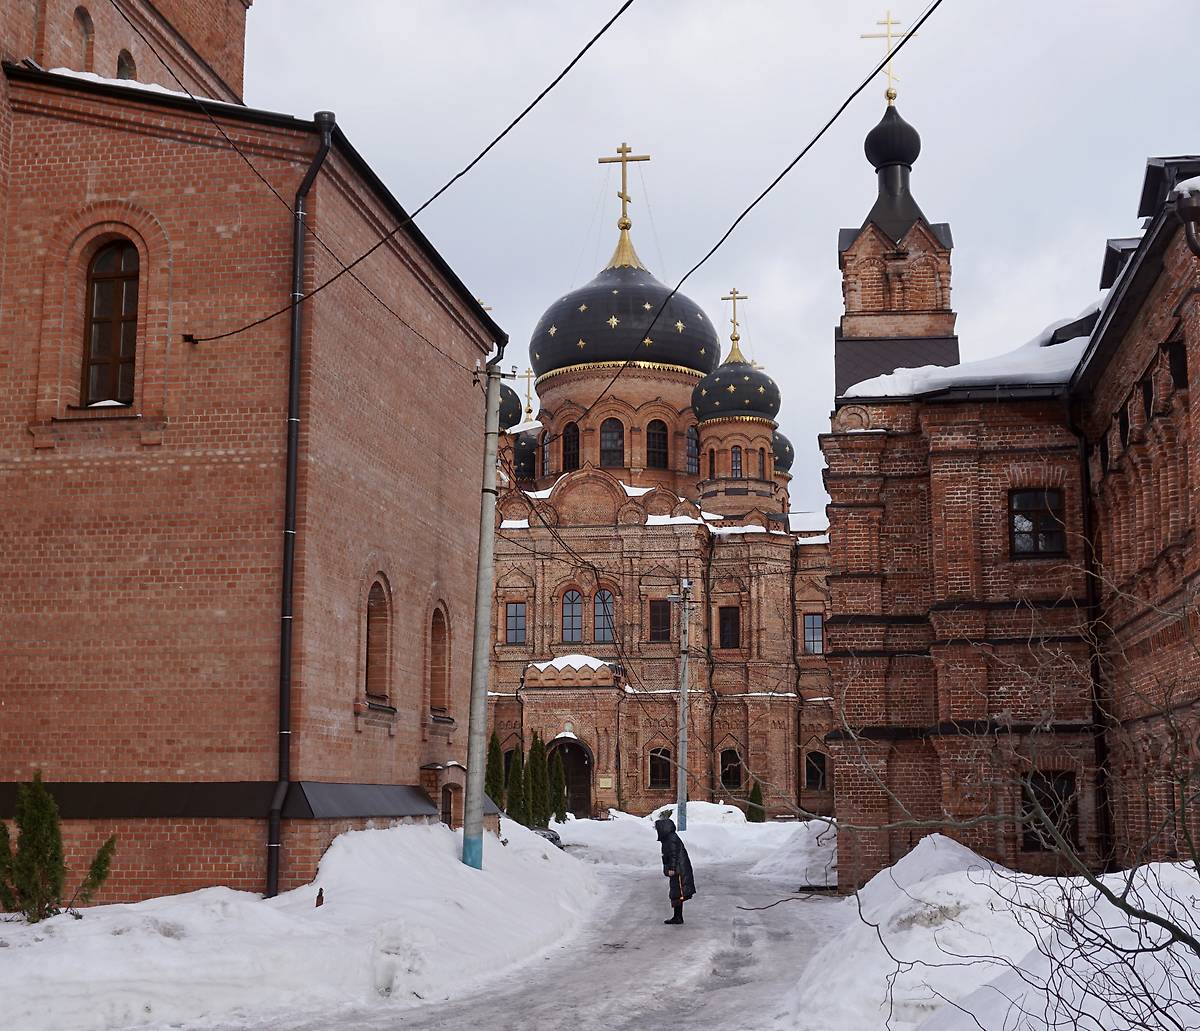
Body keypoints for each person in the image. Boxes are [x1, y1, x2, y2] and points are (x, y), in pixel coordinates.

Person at [654, 815, 695, 925]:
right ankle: (677, 916)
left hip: (678, 870)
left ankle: (678, 917)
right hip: (679, 869)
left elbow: (673, 855)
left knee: (678, 892)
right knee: (676, 893)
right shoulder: (669, 838)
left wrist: (671, 868)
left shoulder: (671, 839)